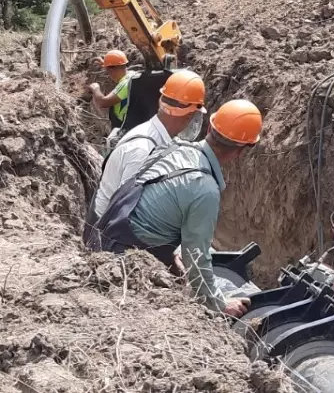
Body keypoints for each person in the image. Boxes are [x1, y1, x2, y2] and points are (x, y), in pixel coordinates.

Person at [91, 99, 262, 318]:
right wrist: (219, 304)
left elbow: (154, 206)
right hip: (123, 266)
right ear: (240, 152)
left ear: (210, 127)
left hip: (104, 238)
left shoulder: (174, 148)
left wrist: (171, 254)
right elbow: (196, 255)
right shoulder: (204, 189)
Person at [91, 69, 206, 221]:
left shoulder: (157, 137)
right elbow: (124, 212)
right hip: (106, 231)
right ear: (190, 115)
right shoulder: (143, 150)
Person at [89, 50, 134, 142]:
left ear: (111, 69)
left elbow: (103, 102)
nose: (109, 75)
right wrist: (106, 65)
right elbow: (115, 67)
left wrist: (95, 88)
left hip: (124, 127)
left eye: (108, 71)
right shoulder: (132, 75)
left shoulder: (125, 85)